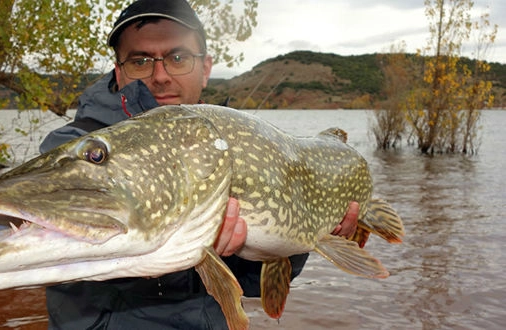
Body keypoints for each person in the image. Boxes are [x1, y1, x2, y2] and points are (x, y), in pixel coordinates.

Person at [39, 0, 359, 328]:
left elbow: (250, 284)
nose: (160, 75)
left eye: (178, 57)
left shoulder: (230, 143)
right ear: (120, 71)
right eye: (140, 60)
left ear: (205, 68)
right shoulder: (73, 144)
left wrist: (301, 237)